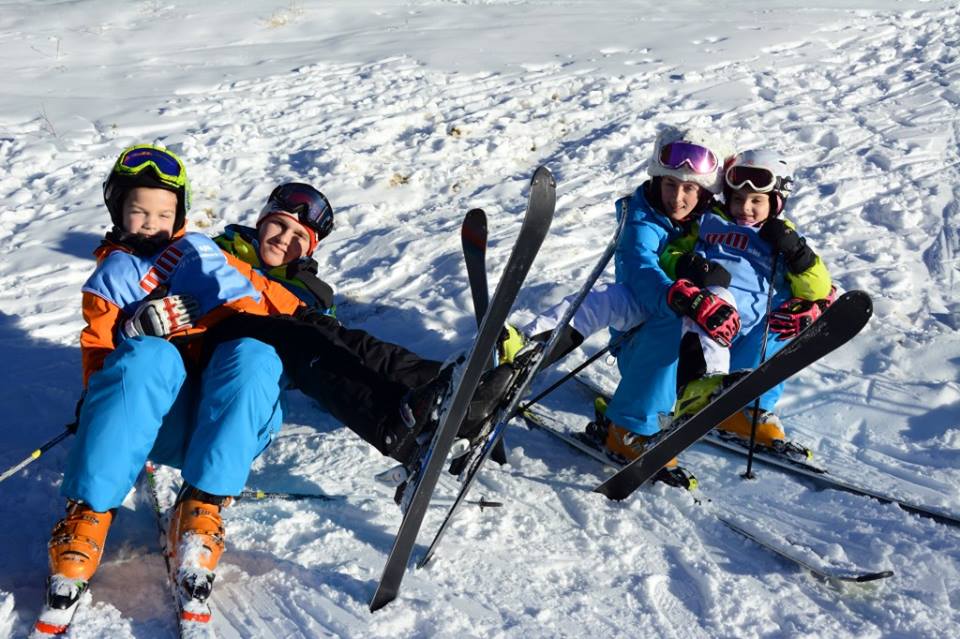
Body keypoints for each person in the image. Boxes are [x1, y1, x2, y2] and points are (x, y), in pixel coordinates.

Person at [37, 144, 307, 634]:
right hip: (156, 422)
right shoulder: (109, 283)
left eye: (164, 214)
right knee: (148, 355)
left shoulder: (205, 255)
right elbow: (100, 377)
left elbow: (282, 305)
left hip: (229, 422)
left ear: (179, 216)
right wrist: (130, 335)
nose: (151, 224)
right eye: (139, 212)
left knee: (255, 353)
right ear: (117, 210)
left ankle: (204, 503)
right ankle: (88, 515)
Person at [207, 183, 513, 486]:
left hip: (264, 356)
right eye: (279, 224)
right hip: (217, 339)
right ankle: (395, 424)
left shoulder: (311, 290)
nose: (284, 239)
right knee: (307, 345)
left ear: (310, 248)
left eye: (299, 236)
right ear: (261, 220)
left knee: (352, 343)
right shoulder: (215, 251)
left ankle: (451, 387)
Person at [501, 125, 739, 476]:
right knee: (606, 300)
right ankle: (531, 350)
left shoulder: (711, 222)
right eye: (670, 184)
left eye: (689, 188)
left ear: (705, 192)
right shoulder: (641, 219)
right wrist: (676, 293)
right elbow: (640, 267)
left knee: (722, 298)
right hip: (641, 335)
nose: (677, 197)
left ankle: (710, 387)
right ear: (656, 180)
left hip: (688, 346)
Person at [662, 148, 833, 452]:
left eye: (757, 201)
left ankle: (750, 412)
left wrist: (798, 253)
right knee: (709, 305)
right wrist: (686, 264)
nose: (745, 208)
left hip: (748, 342)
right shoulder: (709, 222)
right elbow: (668, 254)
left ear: (775, 202)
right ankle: (696, 391)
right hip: (698, 332)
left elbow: (817, 288)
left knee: (791, 317)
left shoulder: (781, 238)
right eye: (738, 199)